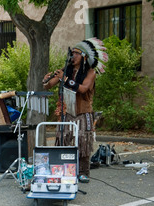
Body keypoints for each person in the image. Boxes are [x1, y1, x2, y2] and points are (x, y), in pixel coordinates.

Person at [43, 38, 108, 183]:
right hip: (67, 112)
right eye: (72, 53)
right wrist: (46, 80)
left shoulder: (90, 72)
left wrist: (64, 80)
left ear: (84, 56)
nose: (73, 56)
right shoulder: (67, 70)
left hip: (83, 113)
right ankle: (63, 169)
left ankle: (83, 172)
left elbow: (83, 88)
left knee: (82, 141)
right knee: (63, 139)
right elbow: (48, 86)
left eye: (76, 53)